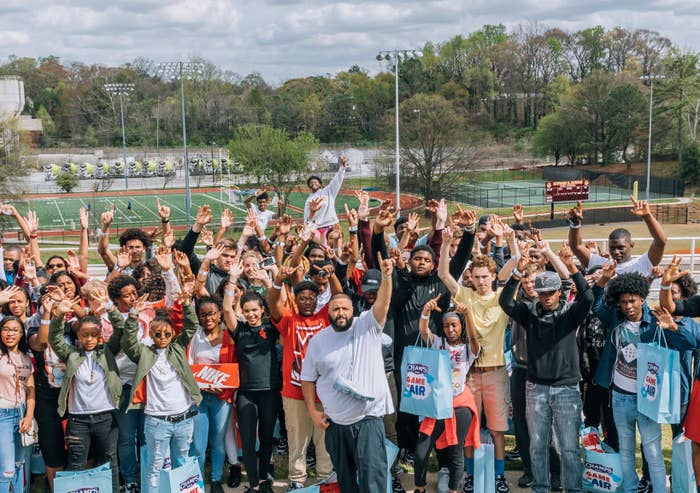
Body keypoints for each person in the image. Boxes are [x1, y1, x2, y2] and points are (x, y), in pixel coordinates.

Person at [499, 246, 594, 493]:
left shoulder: (570, 314)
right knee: (537, 445)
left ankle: (573, 488)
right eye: (543, 293)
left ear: (559, 291)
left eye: (551, 292)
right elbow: (505, 301)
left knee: (569, 447)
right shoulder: (529, 313)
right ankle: (540, 487)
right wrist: (517, 276)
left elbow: (588, 298)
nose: (547, 297)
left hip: (566, 389)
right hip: (535, 387)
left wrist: (572, 268)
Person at [594, 270, 698, 493]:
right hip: (620, 397)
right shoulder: (615, 319)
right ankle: (630, 489)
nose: (628, 306)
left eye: (632, 301)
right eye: (623, 302)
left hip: (648, 399)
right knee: (626, 450)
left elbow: (688, 343)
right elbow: (595, 306)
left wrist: (672, 327)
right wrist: (602, 280)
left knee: (653, 453)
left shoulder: (654, 321)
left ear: (642, 298)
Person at [300, 252, 395, 493]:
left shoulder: (367, 326)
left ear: (353, 309)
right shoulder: (318, 341)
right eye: (335, 308)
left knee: (373, 479)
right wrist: (312, 411)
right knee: (345, 480)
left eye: (345, 308)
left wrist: (387, 277)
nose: (340, 312)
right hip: (336, 424)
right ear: (328, 312)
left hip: (368, 420)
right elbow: (308, 379)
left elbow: (382, 303)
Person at [111, 286, 200, 493]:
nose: (162, 336)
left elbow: (191, 326)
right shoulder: (144, 353)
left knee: (182, 464)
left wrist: (186, 304)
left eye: (167, 333)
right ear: (150, 334)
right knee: (154, 467)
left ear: (172, 334)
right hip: (157, 421)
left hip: (184, 419)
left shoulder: (177, 348)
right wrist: (133, 315)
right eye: (157, 333)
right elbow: (127, 342)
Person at [48, 286, 122, 492]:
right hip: (78, 420)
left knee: (109, 463)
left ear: (100, 336)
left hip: (105, 418)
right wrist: (59, 314)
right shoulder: (71, 355)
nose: (89, 339)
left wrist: (109, 306)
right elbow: (54, 339)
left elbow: (122, 330)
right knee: (77, 465)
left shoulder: (108, 352)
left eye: (93, 335)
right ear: (78, 336)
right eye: (84, 335)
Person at [268, 266, 335, 489]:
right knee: (298, 439)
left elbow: (339, 297)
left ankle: (326, 477)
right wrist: (278, 282)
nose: (307, 302)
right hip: (294, 391)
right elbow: (274, 304)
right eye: (302, 298)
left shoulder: (324, 318)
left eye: (311, 298)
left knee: (324, 439)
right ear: (296, 301)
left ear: (317, 300)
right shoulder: (289, 319)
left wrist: (332, 274)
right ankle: (297, 480)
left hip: (323, 392)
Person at [413, 298, 480, 493]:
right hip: (436, 405)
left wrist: (467, 315)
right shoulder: (438, 343)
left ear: (461, 326)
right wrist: (426, 311)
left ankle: (454, 489)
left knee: (455, 451)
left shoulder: (468, 348)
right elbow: (424, 331)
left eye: (454, 325)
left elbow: (475, 339)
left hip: (460, 405)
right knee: (421, 450)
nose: (450, 330)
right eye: (446, 326)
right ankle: (419, 487)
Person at [223, 282, 280, 493]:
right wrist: (233, 278)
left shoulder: (270, 327)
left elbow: (279, 305)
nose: (251, 314)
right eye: (247, 311)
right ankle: (254, 484)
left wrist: (270, 279)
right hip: (246, 393)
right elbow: (227, 309)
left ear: (262, 309)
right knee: (247, 441)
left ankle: (265, 482)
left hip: (270, 391)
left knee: (266, 439)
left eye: (255, 310)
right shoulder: (239, 330)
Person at [188, 296, 235, 493]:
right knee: (198, 445)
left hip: (221, 397)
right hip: (199, 397)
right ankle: (196, 482)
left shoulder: (230, 335)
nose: (208, 318)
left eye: (212, 313)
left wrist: (223, 387)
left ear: (220, 314)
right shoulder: (194, 336)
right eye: (203, 314)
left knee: (217, 441)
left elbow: (233, 368)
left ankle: (216, 480)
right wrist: (201, 385)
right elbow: (188, 365)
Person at [568, 197, 666, 276]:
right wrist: (575, 224)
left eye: (621, 247)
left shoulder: (643, 263)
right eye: (612, 248)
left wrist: (647, 216)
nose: (616, 252)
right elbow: (576, 247)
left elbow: (660, 241)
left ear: (631, 245)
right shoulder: (600, 264)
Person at [0, 316, 35, 493]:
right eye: (6, 329)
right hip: (2, 415)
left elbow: (30, 391)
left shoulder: (26, 358)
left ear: (22, 334)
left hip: (21, 415)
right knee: (6, 471)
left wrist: (29, 416)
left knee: (19, 465)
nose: (10, 333)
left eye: (15, 330)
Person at [304, 155, 347, 243]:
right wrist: (306, 230)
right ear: (309, 187)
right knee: (319, 250)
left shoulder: (328, 191)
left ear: (320, 184)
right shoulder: (309, 200)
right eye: (311, 183)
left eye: (315, 182)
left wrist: (342, 167)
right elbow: (307, 216)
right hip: (317, 228)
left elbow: (337, 181)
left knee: (334, 250)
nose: (313, 183)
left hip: (331, 226)